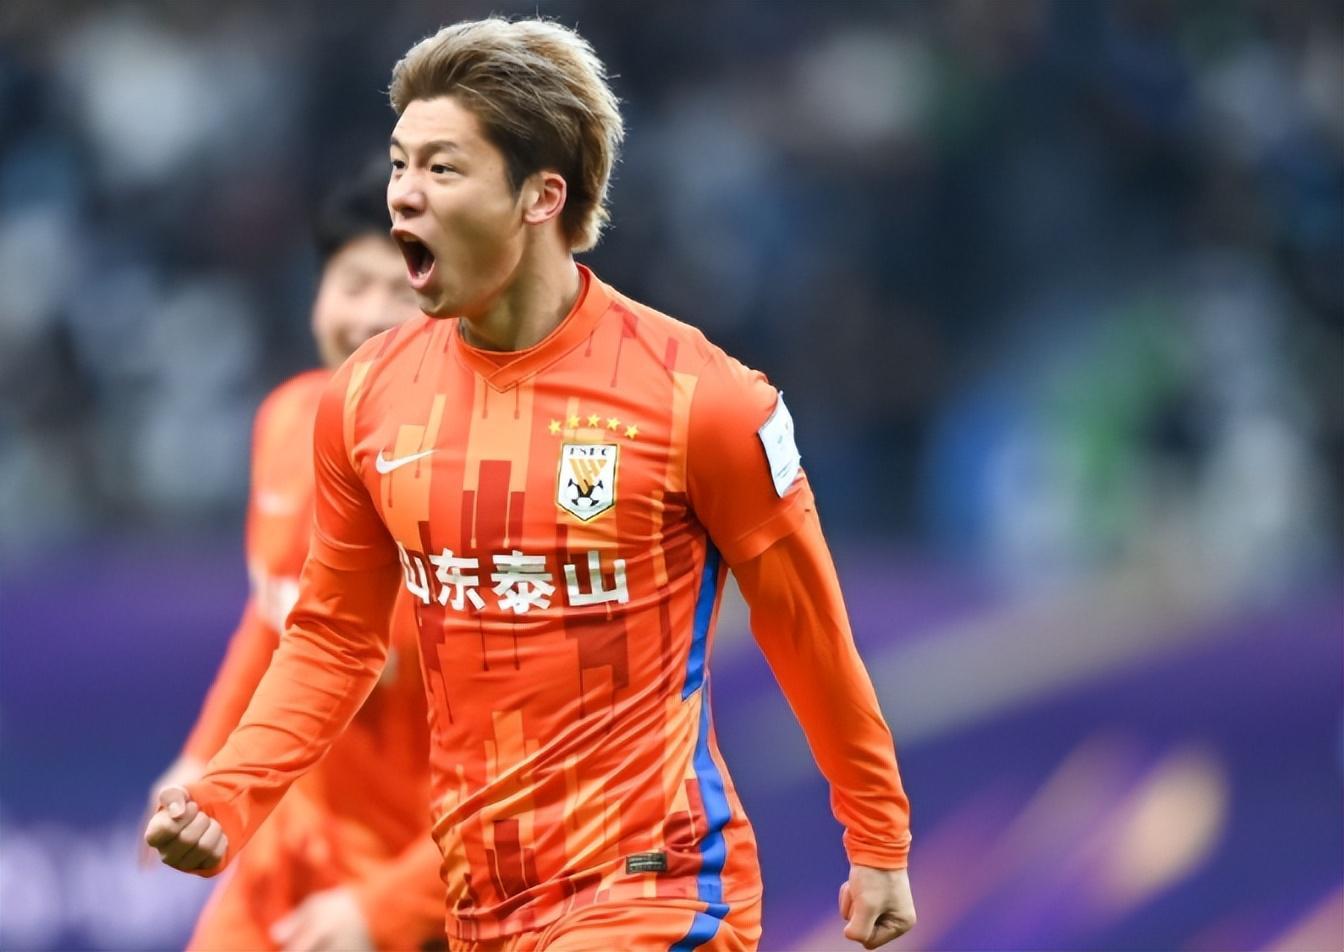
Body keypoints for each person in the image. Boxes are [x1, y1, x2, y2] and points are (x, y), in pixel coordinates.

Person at [146, 18, 916, 951]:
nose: (403, 196)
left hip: (654, 883)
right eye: (399, 165)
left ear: (541, 196)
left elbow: (805, 626)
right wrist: (229, 793)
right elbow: (332, 637)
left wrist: (877, 834)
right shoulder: (364, 399)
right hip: (480, 903)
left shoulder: (702, 399)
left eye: (443, 168)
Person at [143, 163, 444, 951]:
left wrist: (387, 910)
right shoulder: (285, 423)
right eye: (353, 284)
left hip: (444, 891)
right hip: (292, 864)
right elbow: (274, 618)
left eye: (401, 290)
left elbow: (545, 766)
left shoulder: (488, 488)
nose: (370, 316)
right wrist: (201, 759)